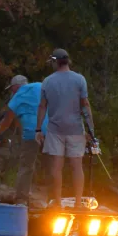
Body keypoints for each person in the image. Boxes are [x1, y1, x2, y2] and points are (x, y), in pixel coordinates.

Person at [35, 48, 95, 209]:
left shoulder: (47, 81)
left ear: (55, 61)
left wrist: (38, 129)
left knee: (56, 167)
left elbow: (42, 106)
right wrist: (91, 132)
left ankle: (58, 203)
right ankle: (77, 203)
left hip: (55, 130)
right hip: (76, 129)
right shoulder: (80, 79)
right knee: (77, 166)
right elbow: (85, 105)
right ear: (68, 61)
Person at [0, 75, 48, 206]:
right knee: (54, 165)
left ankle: (21, 199)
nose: (12, 92)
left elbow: (7, 121)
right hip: (51, 129)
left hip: (31, 132)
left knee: (26, 166)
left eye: (12, 89)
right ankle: (55, 200)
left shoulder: (17, 96)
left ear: (16, 87)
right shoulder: (40, 86)